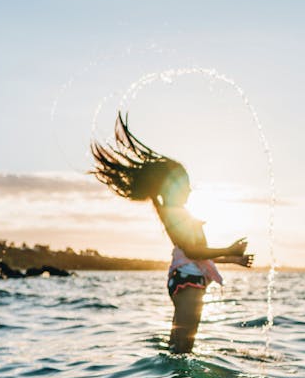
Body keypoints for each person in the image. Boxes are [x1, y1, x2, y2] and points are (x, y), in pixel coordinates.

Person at [91, 111, 254, 353]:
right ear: (172, 187)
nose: (190, 189)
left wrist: (233, 259)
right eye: (185, 184)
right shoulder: (172, 213)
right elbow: (192, 251)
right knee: (183, 347)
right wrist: (228, 248)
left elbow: (198, 256)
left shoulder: (177, 213)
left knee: (181, 344)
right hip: (186, 283)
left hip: (188, 280)